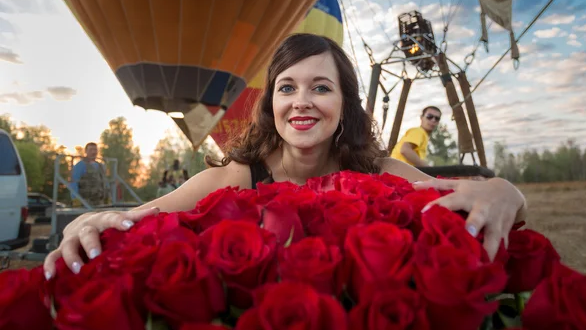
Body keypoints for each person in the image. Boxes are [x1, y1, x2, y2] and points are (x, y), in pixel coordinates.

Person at [44, 34, 527, 279]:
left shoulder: (373, 170)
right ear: (270, 102)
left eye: (321, 87)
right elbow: (134, 219)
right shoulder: (238, 175)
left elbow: (463, 197)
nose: (302, 101)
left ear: (344, 105)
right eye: (287, 87)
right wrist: (81, 223)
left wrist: (508, 191)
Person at [69, 142, 107, 207]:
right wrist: (75, 199)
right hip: (85, 203)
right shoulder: (80, 165)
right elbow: (73, 183)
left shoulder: (101, 166)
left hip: (100, 202)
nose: (93, 152)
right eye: (91, 150)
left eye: (95, 150)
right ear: (86, 151)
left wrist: (108, 197)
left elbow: (104, 182)